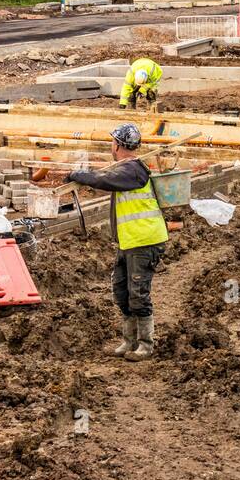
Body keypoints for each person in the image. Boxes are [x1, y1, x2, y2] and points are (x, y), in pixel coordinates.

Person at [66, 123, 167, 361]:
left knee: (138, 293)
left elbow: (104, 179)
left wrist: (77, 175)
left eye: (112, 142)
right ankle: (128, 341)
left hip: (144, 240)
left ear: (118, 145)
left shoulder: (133, 171)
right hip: (129, 240)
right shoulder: (125, 169)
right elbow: (108, 177)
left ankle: (145, 344)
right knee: (122, 291)